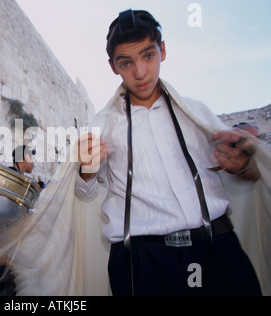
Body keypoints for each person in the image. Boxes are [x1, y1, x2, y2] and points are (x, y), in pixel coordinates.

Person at [74, 10, 266, 296]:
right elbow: (85, 196)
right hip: (141, 263)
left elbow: (247, 176)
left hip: (218, 251)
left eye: (148, 56)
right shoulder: (101, 125)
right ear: (113, 66)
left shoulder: (198, 114)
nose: (139, 72)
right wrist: (85, 172)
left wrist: (243, 167)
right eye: (126, 62)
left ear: (162, 50)